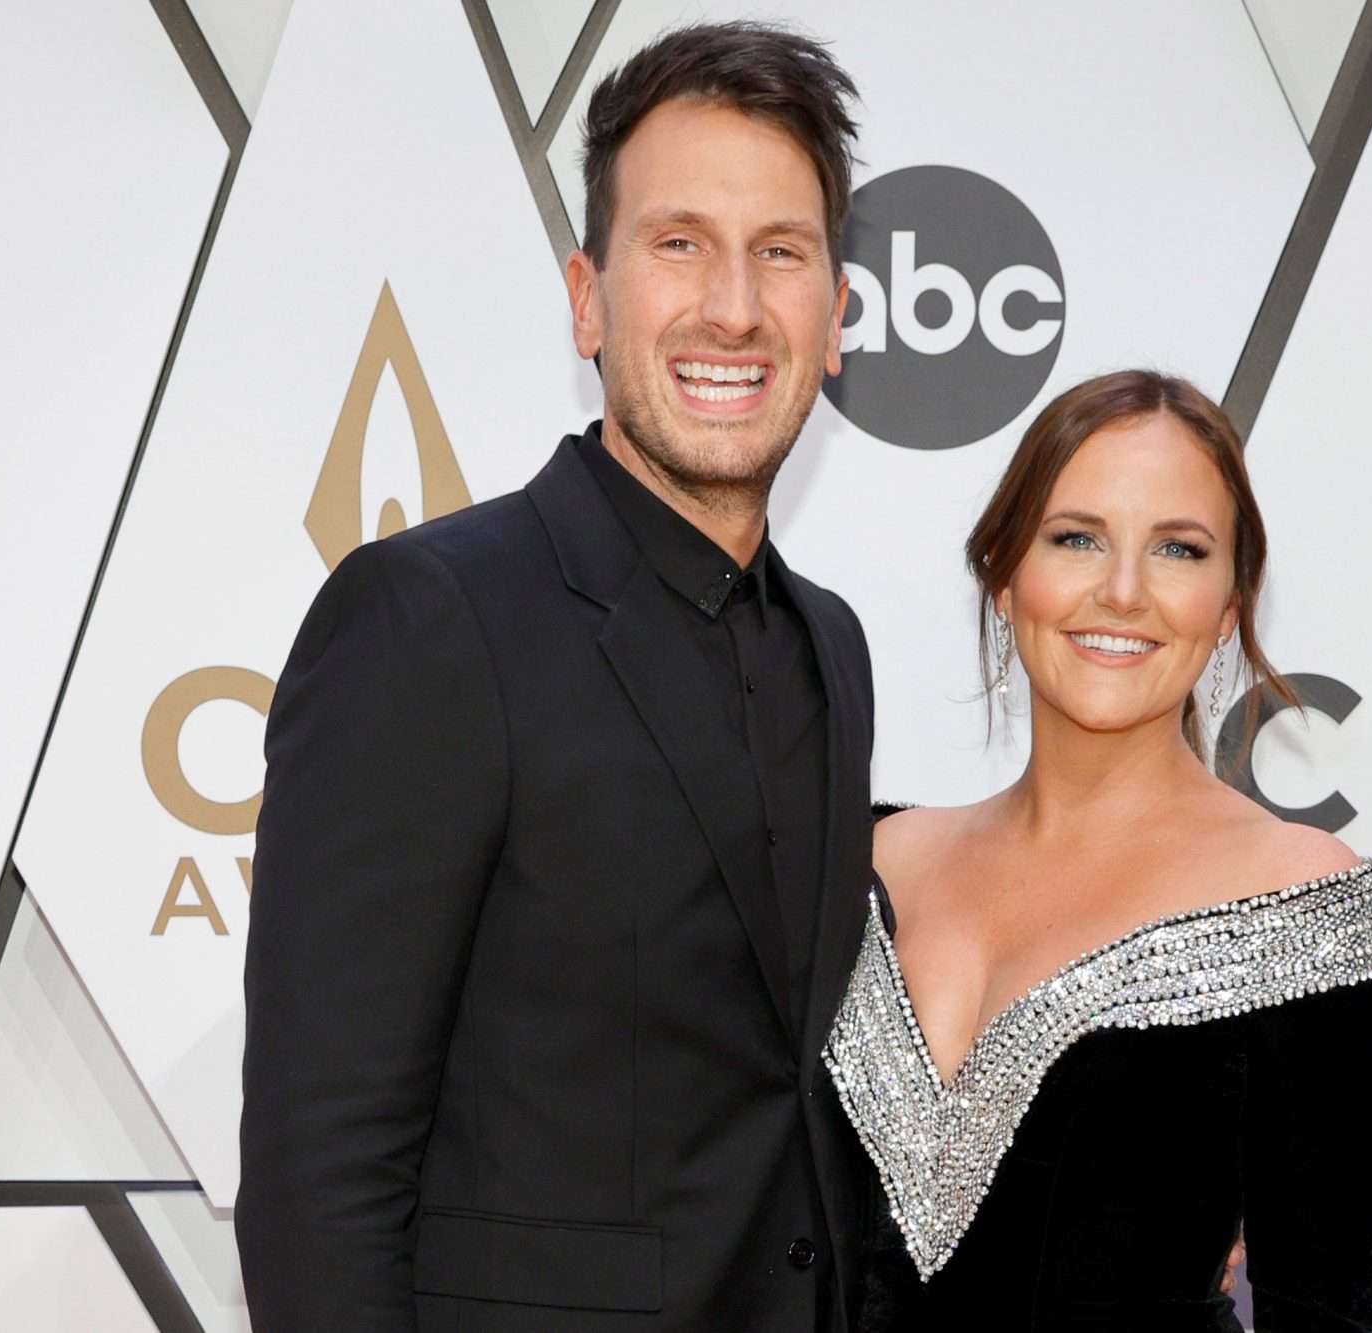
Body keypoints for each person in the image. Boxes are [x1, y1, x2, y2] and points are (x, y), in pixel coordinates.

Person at [235, 23, 878, 1331]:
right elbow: (322, 1171)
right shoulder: (429, 619)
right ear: (587, 297)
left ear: (837, 321)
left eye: (781, 254)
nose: (734, 306)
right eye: (679, 243)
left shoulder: (835, 645)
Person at [825, 370, 1372, 1331]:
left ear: (1228, 607)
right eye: (1077, 537)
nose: (1125, 591)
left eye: (1179, 549)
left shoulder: (1301, 910)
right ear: (1004, 574)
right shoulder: (864, 863)